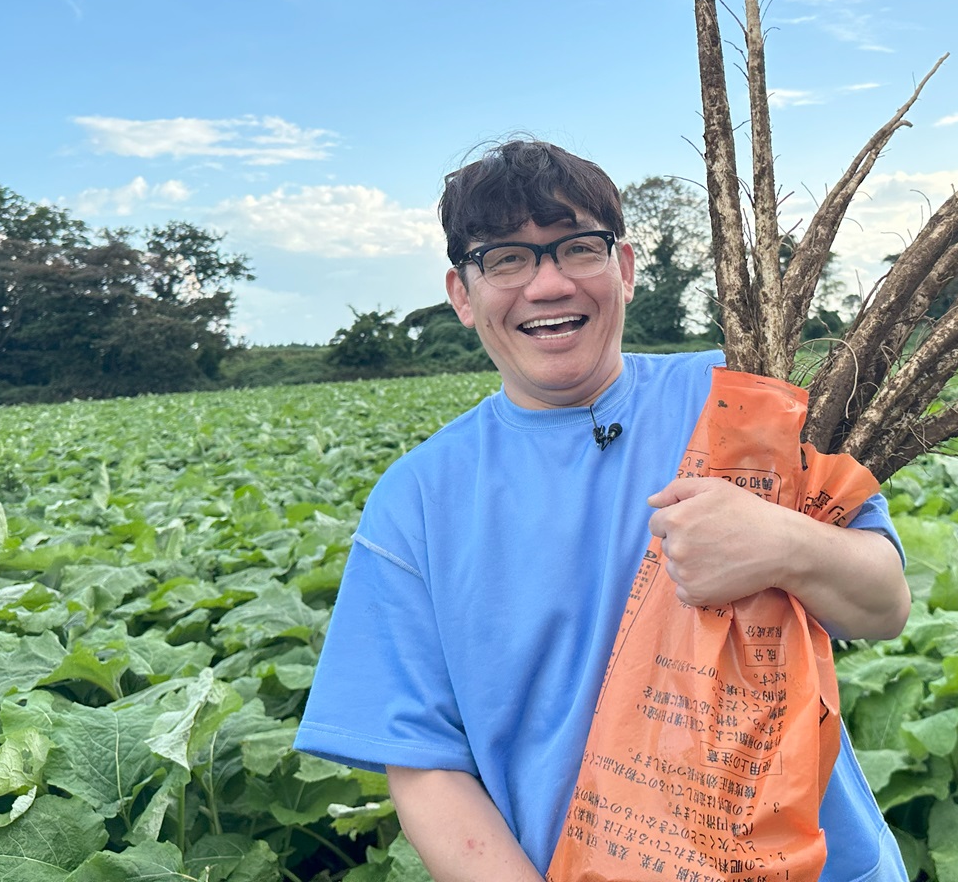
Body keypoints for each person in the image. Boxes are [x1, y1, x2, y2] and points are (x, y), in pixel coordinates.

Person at [295, 140, 912, 881]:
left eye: (577, 248)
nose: (548, 284)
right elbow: (426, 766)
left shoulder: (741, 399)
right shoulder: (416, 501)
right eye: (505, 259)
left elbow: (882, 606)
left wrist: (786, 545)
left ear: (623, 267)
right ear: (462, 293)